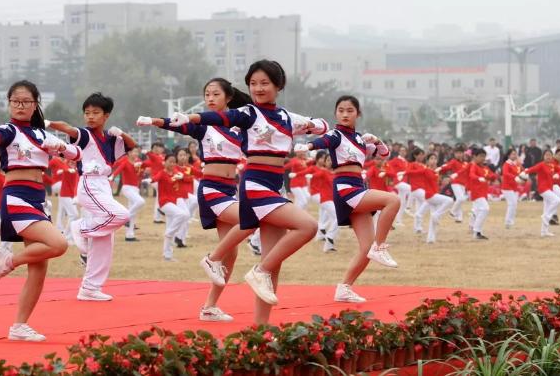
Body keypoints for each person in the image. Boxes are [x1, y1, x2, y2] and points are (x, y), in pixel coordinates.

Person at [166, 59, 328, 324]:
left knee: (274, 263)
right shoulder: (248, 113)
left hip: (277, 185)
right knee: (308, 226)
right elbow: (221, 116)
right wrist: (191, 117)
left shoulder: (287, 117)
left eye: (264, 83)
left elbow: (320, 126)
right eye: (253, 84)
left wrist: (316, 126)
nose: (258, 88)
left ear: (279, 85)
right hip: (256, 185)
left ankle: (261, 330)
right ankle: (257, 270)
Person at [0, 79, 80, 341]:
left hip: (38, 199)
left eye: (26, 101)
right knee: (58, 244)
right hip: (17, 197)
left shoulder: (43, 135)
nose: (20, 106)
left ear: (35, 105)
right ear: (9, 103)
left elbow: (76, 155)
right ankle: (8, 260)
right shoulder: (9, 130)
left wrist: (63, 147)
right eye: (15, 101)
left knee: (39, 266)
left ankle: (19, 326)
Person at [137, 77, 250, 321]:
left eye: (215, 94)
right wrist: (154, 121)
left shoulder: (240, 124)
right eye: (207, 94)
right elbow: (179, 124)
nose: (210, 98)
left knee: (233, 254)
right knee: (249, 219)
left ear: (228, 98)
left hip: (230, 189)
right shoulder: (203, 125)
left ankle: (209, 306)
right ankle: (211, 259)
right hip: (211, 189)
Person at [303, 95, 399, 303]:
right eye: (341, 110)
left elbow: (384, 154)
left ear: (358, 113)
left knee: (366, 248)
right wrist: (309, 147)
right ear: (336, 113)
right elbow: (324, 140)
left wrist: (377, 141)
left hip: (357, 186)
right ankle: (380, 247)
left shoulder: (359, 139)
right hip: (346, 188)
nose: (345, 114)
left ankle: (344, 288)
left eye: (350, 110)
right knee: (393, 201)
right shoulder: (337, 134)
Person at [47, 92, 134, 302]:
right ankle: (80, 228)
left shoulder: (111, 139)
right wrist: (46, 122)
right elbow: (67, 127)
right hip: (89, 183)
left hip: (103, 184)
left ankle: (90, 287)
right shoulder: (84, 134)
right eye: (87, 113)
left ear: (106, 116)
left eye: (96, 113)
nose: (90, 116)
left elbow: (131, 146)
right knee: (121, 214)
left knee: (105, 240)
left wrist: (121, 132)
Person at [520, 150, 560, 237]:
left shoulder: (552, 165)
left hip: (549, 189)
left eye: (550, 155)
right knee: (557, 200)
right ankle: (546, 216)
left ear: (552, 157)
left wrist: (558, 174)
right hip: (543, 189)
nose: (548, 157)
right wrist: (524, 172)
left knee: (547, 208)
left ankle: (544, 232)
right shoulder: (541, 164)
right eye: (546, 155)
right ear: (543, 156)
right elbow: (532, 169)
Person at [110, 147, 145, 241]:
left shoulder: (138, 161)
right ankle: (126, 218)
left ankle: (130, 235)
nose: (136, 153)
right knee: (141, 202)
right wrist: (112, 176)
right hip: (127, 188)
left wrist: (141, 171)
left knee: (133, 212)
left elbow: (140, 174)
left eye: (137, 152)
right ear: (129, 153)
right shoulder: (125, 160)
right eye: (134, 152)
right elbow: (118, 168)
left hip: (135, 188)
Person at [468, 148, 496, 240]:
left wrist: (490, 177)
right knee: (485, 209)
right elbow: (471, 175)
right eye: (480, 156)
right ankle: (477, 231)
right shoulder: (474, 166)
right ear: (474, 157)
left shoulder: (485, 168)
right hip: (477, 192)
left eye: (484, 156)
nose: (483, 158)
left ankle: (474, 228)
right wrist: (479, 178)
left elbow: (493, 175)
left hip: (483, 193)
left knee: (477, 211)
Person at [437, 146, 470, 223]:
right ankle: (453, 211)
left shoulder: (465, 163)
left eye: (460, 153)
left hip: (463, 183)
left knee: (460, 200)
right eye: (457, 153)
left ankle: (459, 217)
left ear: (463, 154)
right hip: (455, 182)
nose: (459, 154)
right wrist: (441, 168)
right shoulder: (453, 161)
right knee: (460, 198)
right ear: (454, 154)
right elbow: (447, 166)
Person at [386, 145, 411, 225]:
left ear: (406, 152)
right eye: (401, 150)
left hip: (403, 183)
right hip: (397, 182)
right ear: (399, 152)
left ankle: (398, 221)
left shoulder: (406, 162)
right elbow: (387, 164)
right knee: (411, 189)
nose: (403, 152)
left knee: (401, 203)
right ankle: (409, 206)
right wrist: (391, 176)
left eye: (404, 151)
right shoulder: (396, 160)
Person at [501, 149, 523, 229]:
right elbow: (505, 173)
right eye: (513, 154)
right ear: (509, 155)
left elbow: (521, 171)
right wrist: (515, 177)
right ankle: (508, 222)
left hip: (514, 187)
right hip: (507, 187)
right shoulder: (507, 164)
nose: (514, 155)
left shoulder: (516, 164)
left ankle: (510, 221)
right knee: (512, 204)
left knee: (514, 204)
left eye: (515, 154)